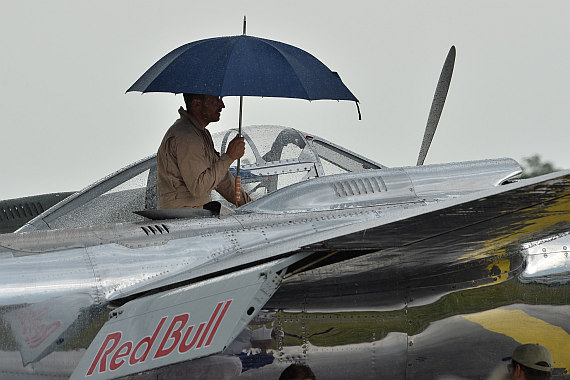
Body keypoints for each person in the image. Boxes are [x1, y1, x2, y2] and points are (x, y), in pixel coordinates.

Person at [157, 93, 251, 209]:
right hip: (183, 217)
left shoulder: (200, 133)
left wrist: (251, 205)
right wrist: (229, 157)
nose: (222, 105)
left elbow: (221, 179)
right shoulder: (187, 136)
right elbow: (199, 188)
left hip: (194, 214)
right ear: (197, 104)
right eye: (216, 100)